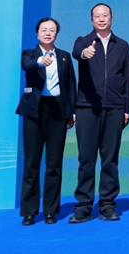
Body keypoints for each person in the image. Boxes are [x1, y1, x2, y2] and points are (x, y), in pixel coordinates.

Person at [69, 3, 129, 223]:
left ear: (111, 18)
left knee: (110, 159)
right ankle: (83, 206)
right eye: (97, 16)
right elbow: (77, 53)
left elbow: (128, 79)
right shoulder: (83, 41)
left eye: (105, 15)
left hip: (114, 108)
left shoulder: (122, 45)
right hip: (87, 107)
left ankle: (107, 204)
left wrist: (126, 109)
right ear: (92, 20)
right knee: (86, 158)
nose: (101, 19)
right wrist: (85, 53)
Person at [16, 18, 77, 226]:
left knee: (54, 163)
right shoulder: (29, 54)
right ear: (37, 33)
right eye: (44, 30)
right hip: (35, 110)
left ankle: (51, 210)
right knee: (32, 162)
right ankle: (29, 211)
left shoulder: (64, 56)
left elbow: (70, 86)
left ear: (56, 34)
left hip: (57, 109)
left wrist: (71, 113)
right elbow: (27, 66)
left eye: (52, 30)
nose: (48, 33)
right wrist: (41, 61)